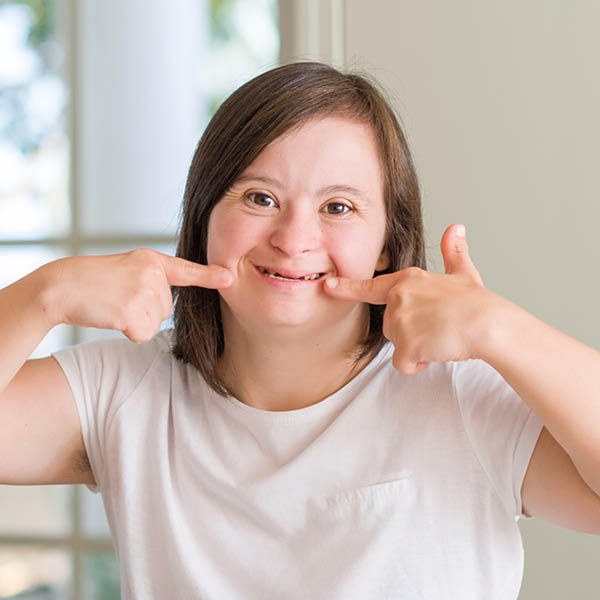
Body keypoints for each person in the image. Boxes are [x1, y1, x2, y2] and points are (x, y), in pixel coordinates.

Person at [1, 61, 599, 599]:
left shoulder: (465, 395)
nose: (292, 239)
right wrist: (42, 295)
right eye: (260, 197)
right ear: (204, 215)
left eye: (338, 208)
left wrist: (499, 327)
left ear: (388, 245)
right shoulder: (123, 392)